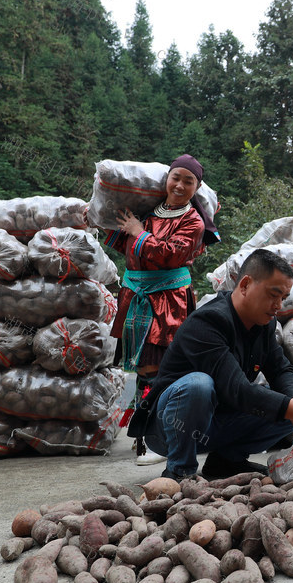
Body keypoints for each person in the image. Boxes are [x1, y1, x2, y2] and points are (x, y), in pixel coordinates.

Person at [126, 248, 293, 480]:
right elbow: (237, 390)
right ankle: (179, 471)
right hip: (170, 426)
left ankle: (226, 462)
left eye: (283, 298)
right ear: (244, 285)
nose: (278, 305)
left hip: (215, 424)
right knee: (199, 385)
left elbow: (280, 370)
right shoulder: (208, 322)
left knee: (289, 409)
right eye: (273, 294)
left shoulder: (263, 325)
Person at [104, 154, 220, 465]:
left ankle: (163, 436)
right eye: (176, 177)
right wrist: (127, 230)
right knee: (142, 366)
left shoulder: (192, 221)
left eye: (189, 181)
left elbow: (171, 254)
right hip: (136, 296)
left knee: (162, 365)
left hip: (168, 301)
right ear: (166, 179)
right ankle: (144, 435)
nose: (180, 185)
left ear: (196, 187)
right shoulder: (148, 214)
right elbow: (124, 245)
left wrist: (138, 233)